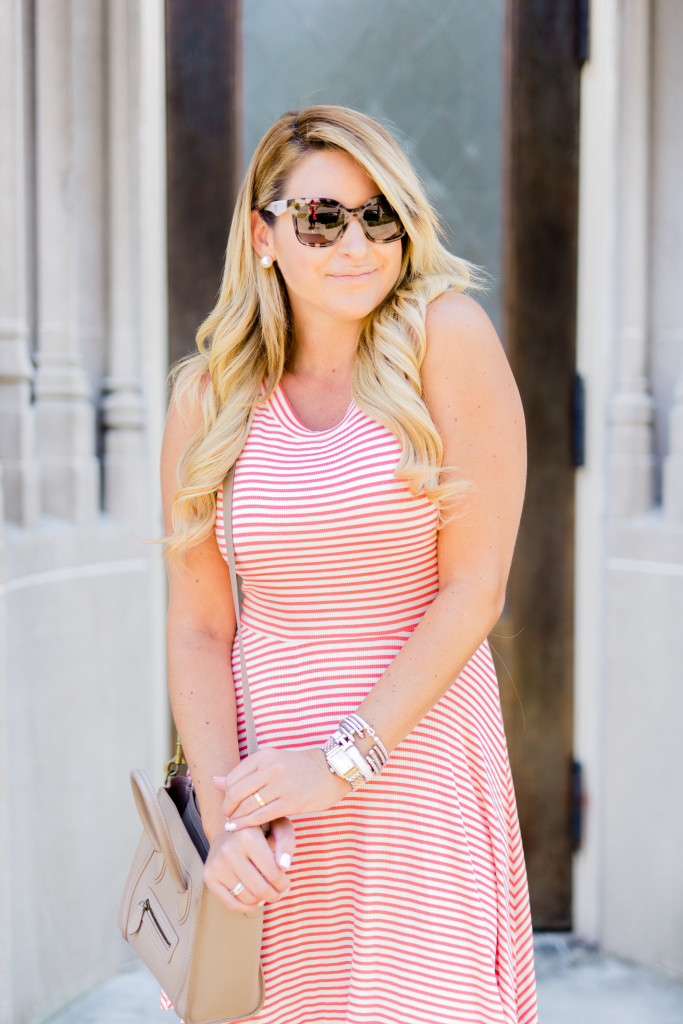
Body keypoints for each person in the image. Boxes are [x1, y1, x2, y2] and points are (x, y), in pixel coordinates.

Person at [160, 105, 538, 1024]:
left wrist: (341, 762)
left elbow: (475, 590)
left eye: (379, 217)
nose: (357, 244)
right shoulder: (208, 399)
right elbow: (200, 625)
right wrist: (224, 815)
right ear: (264, 235)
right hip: (269, 792)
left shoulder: (447, 340)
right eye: (322, 218)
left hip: (416, 763)